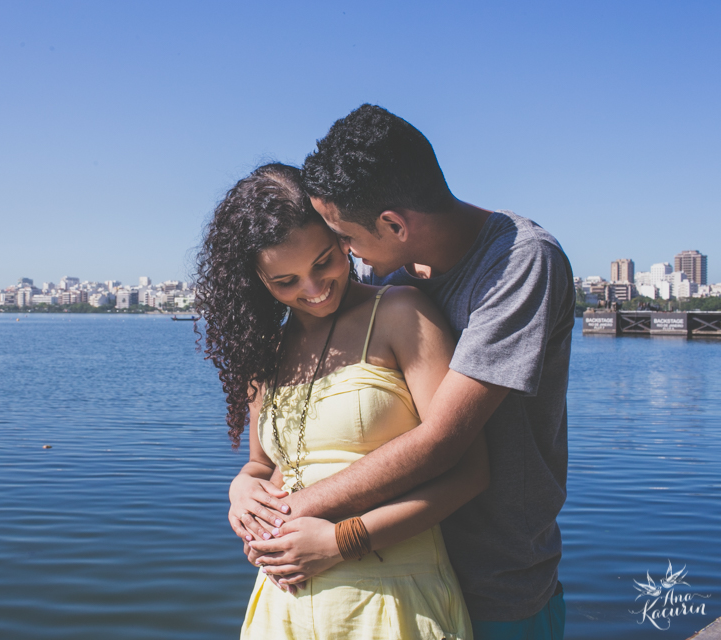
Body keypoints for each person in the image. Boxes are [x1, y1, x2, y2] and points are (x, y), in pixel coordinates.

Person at [234, 105, 574, 639]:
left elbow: (444, 439)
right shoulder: (391, 269)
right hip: (384, 562)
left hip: (494, 569)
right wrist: (250, 488)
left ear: (393, 224)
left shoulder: (520, 264)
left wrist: (300, 516)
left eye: (343, 241)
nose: (344, 259)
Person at [196, 163, 490, 639]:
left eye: (323, 262)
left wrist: (342, 541)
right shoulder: (265, 353)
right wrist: (240, 489)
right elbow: (261, 464)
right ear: (257, 282)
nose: (313, 290)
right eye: (285, 281)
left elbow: (470, 471)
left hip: (393, 604)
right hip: (282, 609)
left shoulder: (400, 313)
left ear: (342, 241)